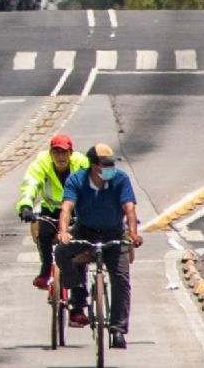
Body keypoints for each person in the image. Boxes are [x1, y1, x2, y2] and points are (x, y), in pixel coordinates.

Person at [54, 143, 143, 349]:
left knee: (121, 279)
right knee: (61, 252)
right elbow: (66, 207)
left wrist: (132, 233)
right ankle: (77, 289)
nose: (110, 167)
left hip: (114, 231)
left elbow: (129, 208)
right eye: (105, 164)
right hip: (85, 230)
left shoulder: (120, 179)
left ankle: (118, 330)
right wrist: (64, 231)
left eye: (112, 163)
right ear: (93, 166)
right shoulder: (77, 180)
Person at [16, 134, 90, 289]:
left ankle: (79, 293)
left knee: (78, 247)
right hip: (51, 210)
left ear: (71, 153)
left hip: (76, 211)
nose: (60, 157)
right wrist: (25, 206)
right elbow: (31, 183)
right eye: (56, 152)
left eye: (64, 152)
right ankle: (45, 271)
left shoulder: (81, 163)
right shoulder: (42, 163)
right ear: (50, 153)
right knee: (43, 234)